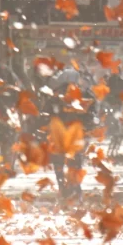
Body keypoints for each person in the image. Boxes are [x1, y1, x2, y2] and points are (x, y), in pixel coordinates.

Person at [47, 64, 98, 199]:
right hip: (74, 132)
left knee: (60, 160)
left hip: (62, 132)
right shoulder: (83, 93)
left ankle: (65, 187)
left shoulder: (56, 94)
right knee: (73, 161)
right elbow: (92, 112)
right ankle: (74, 188)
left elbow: (47, 112)